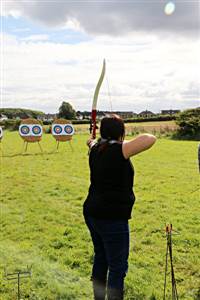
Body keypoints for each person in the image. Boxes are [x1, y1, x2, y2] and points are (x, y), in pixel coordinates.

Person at [83, 114, 156, 300]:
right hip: (111, 217)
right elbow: (150, 138)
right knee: (117, 267)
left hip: (92, 211)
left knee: (101, 257)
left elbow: (91, 143)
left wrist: (95, 141)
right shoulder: (118, 150)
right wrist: (120, 143)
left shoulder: (96, 148)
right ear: (121, 132)